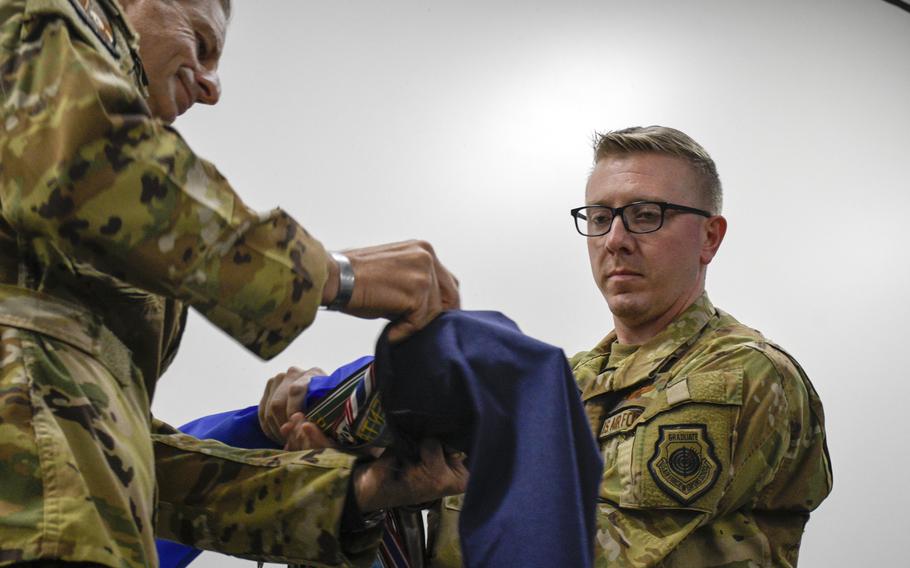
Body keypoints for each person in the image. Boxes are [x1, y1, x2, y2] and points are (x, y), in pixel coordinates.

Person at [0, 0, 465, 566]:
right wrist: (335, 276)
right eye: (200, 42)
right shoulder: (29, 22)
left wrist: (358, 491)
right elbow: (90, 158)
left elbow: (145, 465)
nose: (213, 86)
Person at [266, 126, 833, 567]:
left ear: (710, 237)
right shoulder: (567, 380)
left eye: (646, 215)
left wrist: (419, 505)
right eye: (600, 217)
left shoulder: (742, 376)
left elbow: (605, 555)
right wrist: (354, 483)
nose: (615, 241)